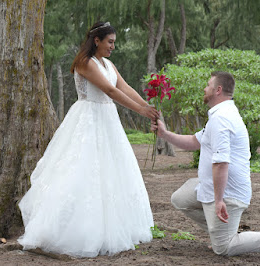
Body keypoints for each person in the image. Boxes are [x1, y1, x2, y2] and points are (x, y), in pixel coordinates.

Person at [18, 22, 159, 258]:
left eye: (114, 41)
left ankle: (111, 228)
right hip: (89, 119)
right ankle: (76, 231)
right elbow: (110, 91)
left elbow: (124, 87)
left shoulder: (109, 64)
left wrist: (148, 107)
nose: (113, 46)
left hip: (108, 120)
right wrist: (140, 112)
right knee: (82, 172)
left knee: (112, 173)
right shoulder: (85, 62)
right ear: (97, 41)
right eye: (110, 42)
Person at [151, 71, 260, 258]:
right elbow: (194, 141)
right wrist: (165, 135)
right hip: (209, 187)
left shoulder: (222, 119)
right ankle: (221, 232)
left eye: (208, 85)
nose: (204, 89)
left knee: (223, 248)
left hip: (229, 194)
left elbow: (221, 163)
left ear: (218, 90)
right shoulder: (220, 115)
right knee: (180, 199)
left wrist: (219, 200)